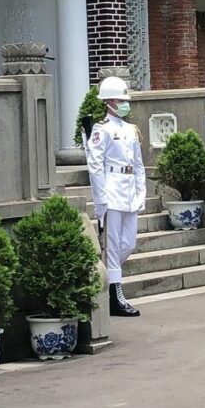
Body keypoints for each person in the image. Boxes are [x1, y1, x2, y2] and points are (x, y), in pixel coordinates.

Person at [85, 75, 146, 317]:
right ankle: (115, 294)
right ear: (109, 101)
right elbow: (95, 167)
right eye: (121, 100)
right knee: (111, 247)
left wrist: (141, 192)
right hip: (111, 191)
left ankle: (101, 276)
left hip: (129, 191)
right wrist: (101, 200)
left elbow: (139, 165)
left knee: (128, 244)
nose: (125, 104)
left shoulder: (130, 129)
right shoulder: (101, 130)